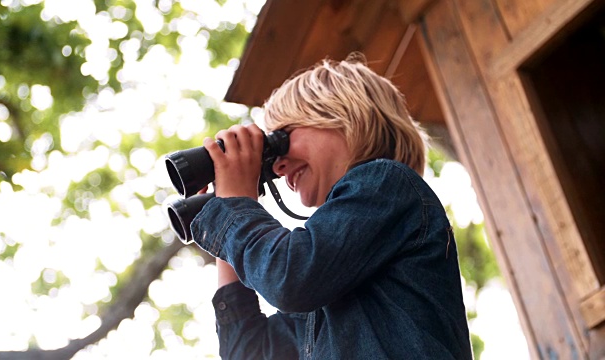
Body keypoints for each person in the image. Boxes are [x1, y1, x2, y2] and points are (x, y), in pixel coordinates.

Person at [190, 53, 473, 359]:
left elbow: (290, 277)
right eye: (272, 162)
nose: (280, 166)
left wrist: (236, 206)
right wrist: (225, 215)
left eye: (280, 140)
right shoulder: (326, 292)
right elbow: (247, 351)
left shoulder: (385, 183)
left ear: (342, 117)